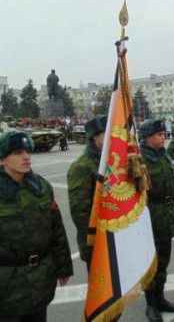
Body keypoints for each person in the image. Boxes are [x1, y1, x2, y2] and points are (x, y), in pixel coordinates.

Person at [0, 130, 73, 321]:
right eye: (18, 153)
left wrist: (64, 267)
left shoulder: (42, 188)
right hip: (7, 289)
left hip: (41, 282)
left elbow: (56, 232)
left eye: (28, 151)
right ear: (2, 159)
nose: (26, 157)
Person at [140, 119, 174, 322]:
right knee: (151, 264)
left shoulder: (163, 154)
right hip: (150, 214)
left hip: (166, 213)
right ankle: (151, 304)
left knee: (164, 261)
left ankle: (160, 297)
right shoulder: (138, 159)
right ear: (149, 138)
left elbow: (173, 184)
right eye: (159, 135)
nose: (163, 137)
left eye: (163, 134)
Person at [67, 115, 107, 272]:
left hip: (117, 234)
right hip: (97, 238)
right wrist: (98, 235)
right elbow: (80, 211)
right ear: (94, 138)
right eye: (106, 133)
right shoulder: (82, 167)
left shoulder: (115, 161)